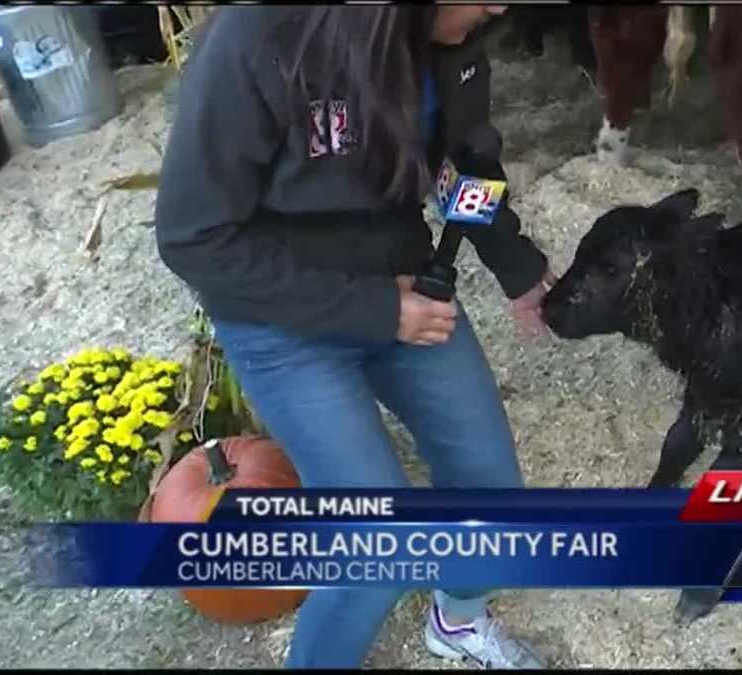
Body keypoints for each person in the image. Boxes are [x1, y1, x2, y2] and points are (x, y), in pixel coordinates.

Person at [153, 5, 555, 669]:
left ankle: (456, 621)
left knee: (492, 489)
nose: (500, 10)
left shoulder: (456, 40)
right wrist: (375, 310)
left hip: (399, 289)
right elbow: (192, 236)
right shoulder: (261, 37)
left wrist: (518, 268)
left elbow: (468, 166)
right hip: (282, 320)